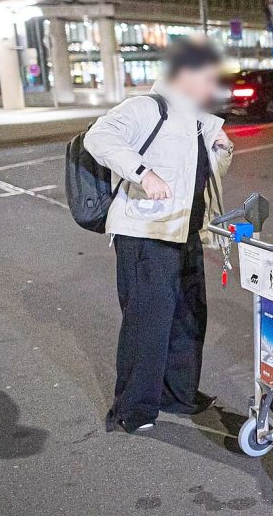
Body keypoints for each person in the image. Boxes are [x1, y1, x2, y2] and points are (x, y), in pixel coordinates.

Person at [84, 39, 233, 433]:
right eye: (206, 76)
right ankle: (132, 410)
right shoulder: (147, 108)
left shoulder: (199, 120)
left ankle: (178, 395)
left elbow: (200, 179)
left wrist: (220, 147)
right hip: (145, 235)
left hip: (184, 232)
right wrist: (143, 174)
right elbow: (98, 138)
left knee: (188, 317)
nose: (212, 85)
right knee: (146, 324)